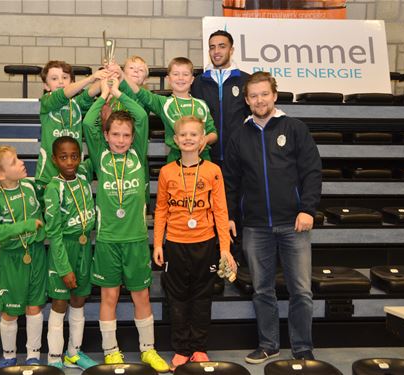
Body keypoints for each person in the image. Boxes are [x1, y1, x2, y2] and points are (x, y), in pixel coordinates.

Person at [223, 71, 322, 364]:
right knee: (262, 290)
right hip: (255, 226)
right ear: (247, 100)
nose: (259, 100)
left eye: (264, 94)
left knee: (301, 291)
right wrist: (230, 215)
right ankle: (269, 344)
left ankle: (302, 348)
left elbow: (312, 172)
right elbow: (231, 180)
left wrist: (307, 209)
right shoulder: (240, 135)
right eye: (253, 95)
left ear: (274, 95)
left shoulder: (294, 128)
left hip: (294, 224)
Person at [82, 76, 170, 372]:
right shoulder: (100, 156)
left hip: (134, 239)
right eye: (115, 134)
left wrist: (119, 91)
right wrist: (103, 93)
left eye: (126, 135)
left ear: (133, 138)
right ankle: (111, 351)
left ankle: (148, 350)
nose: (121, 140)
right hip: (107, 239)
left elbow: (142, 115)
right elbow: (89, 122)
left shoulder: (138, 155)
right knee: (109, 295)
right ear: (106, 135)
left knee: (141, 295)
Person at [153, 116, 237, 370]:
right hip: (176, 244)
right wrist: (158, 243)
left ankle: (199, 348)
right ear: (175, 140)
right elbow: (160, 210)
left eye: (194, 134)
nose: (188, 138)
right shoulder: (167, 172)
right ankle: (180, 349)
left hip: (206, 244)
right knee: (177, 298)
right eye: (183, 135)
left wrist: (225, 248)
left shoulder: (213, 171)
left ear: (202, 140)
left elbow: (221, 211)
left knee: (202, 297)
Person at [0, 145, 47, 368]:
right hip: (12, 259)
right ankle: (9, 355)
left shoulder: (30, 186)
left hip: (36, 254)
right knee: (10, 311)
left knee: (35, 306)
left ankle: (33, 354)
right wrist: (24, 226)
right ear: (0, 174)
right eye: (14, 161)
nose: (21, 162)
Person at [43, 136, 97, 370]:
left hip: (85, 248)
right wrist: (64, 268)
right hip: (64, 248)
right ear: (55, 160)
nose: (70, 162)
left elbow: (97, 143)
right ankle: (54, 357)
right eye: (63, 157)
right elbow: (53, 234)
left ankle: (73, 352)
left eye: (74, 156)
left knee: (79, 299)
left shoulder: (83, 179)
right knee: (60, 302)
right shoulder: (53, 188)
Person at [35, 60, 108, 205]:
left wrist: (107, 73)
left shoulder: (76, 103)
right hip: (49, 173)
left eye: (65, 78)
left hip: (73, 172)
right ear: (46, 85)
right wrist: (91, 78)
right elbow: (63, 95)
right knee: (52, 219)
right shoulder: (46, 102)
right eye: (54, 79)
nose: (61, 82)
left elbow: (90, 92)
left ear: (72, 81)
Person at [121, 57, 218, 162]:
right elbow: (141, 93)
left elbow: (213, 133)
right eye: (176, 74)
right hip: (176, 159)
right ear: (168, 79)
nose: (180, 78)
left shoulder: (201, 105)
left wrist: (206, 139)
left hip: (203, 158)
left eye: (185, 74)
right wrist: (122, 76)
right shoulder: (164, 103)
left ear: (192, 79)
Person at [191, 29, 249, 167]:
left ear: (231, 50)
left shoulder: (246, 80)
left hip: (238, 157)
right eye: (212, 47)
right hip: (205, 156)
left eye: (222, 46)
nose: (216, 51)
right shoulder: (198, 82)